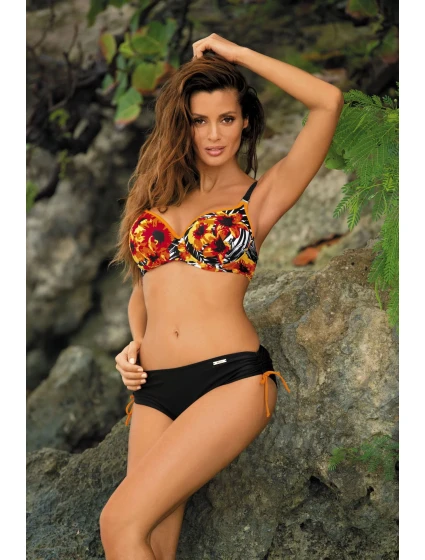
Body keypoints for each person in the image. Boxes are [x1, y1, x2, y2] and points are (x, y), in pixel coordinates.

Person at [100, 33, 344, 560]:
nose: (213, 134)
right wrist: (135, 344)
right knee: (150, 542)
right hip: (154, 391)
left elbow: (327, 101)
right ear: (182, 125)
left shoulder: (260, 197)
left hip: (230, 381)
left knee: (117, 523)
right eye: (199, 120)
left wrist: (238, 55)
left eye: (227, 119)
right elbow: (146, 288)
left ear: (246, 121)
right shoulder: (159, 195)